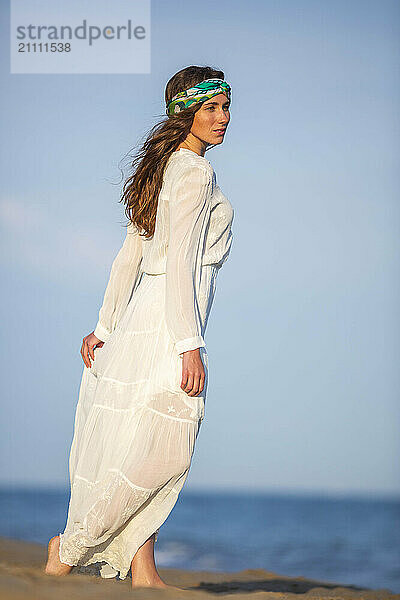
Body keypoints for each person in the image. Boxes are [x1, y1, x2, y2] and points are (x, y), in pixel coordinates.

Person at [44, 65, 234, 590]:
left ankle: (143, 570)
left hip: (141, 317)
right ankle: (71, 547)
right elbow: (177, 266)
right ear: (185, 112)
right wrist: (189, 345)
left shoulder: (163, 167)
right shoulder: (194, 172)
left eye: (225, 107)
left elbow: (129, 255)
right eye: (211, 108)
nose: (222, 118)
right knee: (161, 451)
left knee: (135, 444)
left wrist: (106, 324)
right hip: (169, 325)